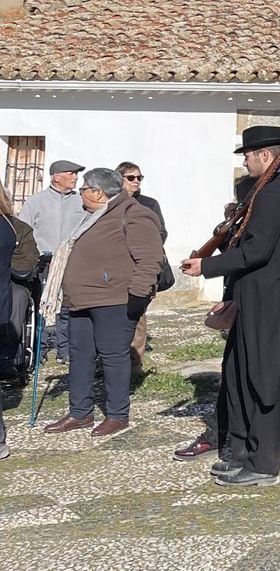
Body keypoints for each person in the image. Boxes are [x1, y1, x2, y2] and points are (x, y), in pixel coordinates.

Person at [179, 126, 280, 487]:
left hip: (265, 299)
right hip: (266, 296)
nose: (245, 162)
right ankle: (241, 451)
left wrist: (205, 266)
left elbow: (257, 252)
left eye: (249, 156)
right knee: (239, 375)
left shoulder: (272, 197)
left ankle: (264, 464)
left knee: (262, 381)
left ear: (266, 157)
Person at [42, 167, 164, 438]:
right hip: (80, 300)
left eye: (84, 188)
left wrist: (137, 296)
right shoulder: (91, 216)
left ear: (98, 192)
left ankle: (117, 415)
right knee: (81, 356)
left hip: (114, 299)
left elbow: (149, 258)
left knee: (112, 357)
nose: (80, 192)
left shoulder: (133, 213)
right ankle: (79, 412)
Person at [19, 158, 85, 363]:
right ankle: (38, 349)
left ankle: (65, 350)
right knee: (40, 306)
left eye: (76, 174)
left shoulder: (81, 201)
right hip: (43, 262)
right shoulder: (36, 201)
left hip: (72, 261)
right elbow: (23, 230)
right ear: (57, 176)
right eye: (71, 173)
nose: (75, 177)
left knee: (68, 307)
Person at [117, 161, 166, 373]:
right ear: (119, 179)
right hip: (115, 266)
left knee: (138, 314)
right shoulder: (111, 203)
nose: (136, 181)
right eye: (131, 177)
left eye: (139, 178)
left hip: (139, 264)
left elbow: (162, 232)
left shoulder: (149, 204)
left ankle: (134, 363)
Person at [1, 184, 39, 384]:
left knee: (17, 297)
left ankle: (7, 355)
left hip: (14, 278)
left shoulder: (20, 229)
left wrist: (7, 264)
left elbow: (30, 258)